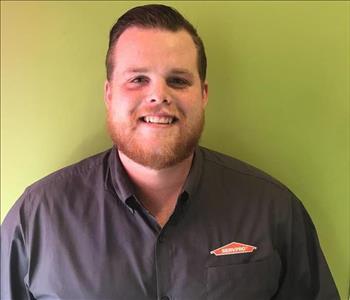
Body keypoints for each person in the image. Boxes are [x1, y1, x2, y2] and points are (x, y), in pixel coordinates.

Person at [1, 4, 340, 300]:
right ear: (109, 94)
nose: (158, 95)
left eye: (178, 80)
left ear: (203, 94)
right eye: (137, 79)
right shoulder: (37, 219)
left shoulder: (274, 210)